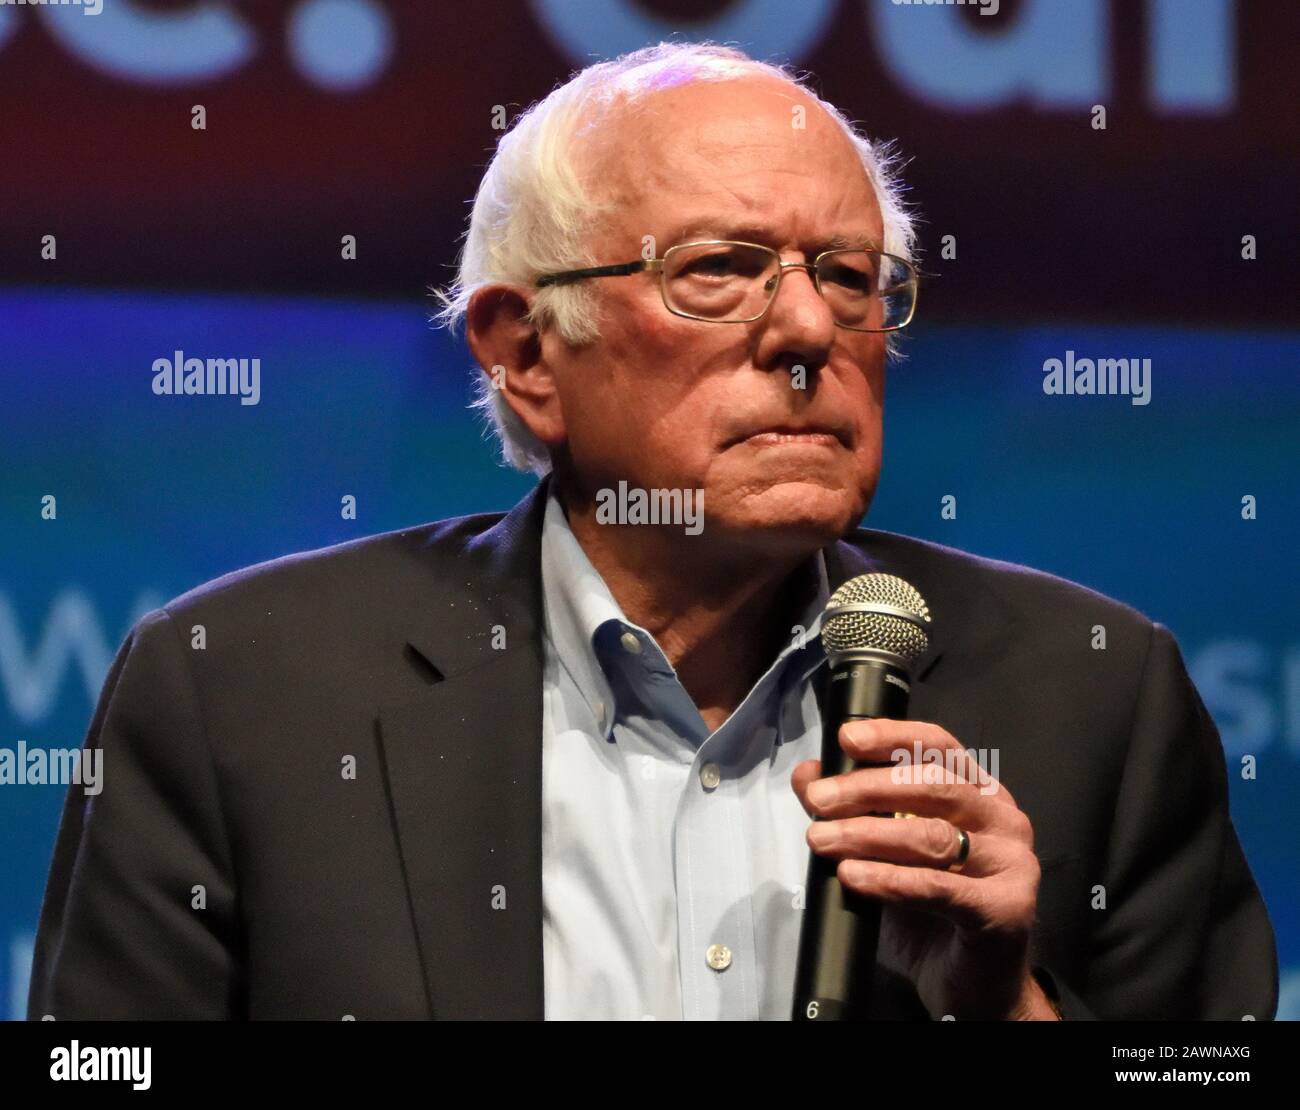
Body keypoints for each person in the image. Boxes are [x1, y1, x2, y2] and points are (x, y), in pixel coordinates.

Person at [29, 42, 1276, 1021]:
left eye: (848, 276)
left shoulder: (1097, 691)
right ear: (525, 352)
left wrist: (1002, 1008)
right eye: (718, 269)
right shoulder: (235, 688)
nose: (806, 334)